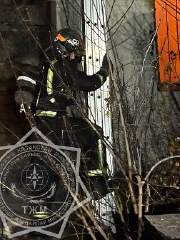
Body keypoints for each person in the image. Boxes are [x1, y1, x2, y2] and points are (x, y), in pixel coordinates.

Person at [14, 28, 111, 198]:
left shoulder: (49, 63)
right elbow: (89, 84)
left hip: (45, 122)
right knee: (92, 133)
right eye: (74, 53)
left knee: (55, 161)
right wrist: (105, 70)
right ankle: (97, 184)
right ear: (65, 50)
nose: (76, 57)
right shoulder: (62, 65)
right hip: (53, 122)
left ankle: (48, 199)